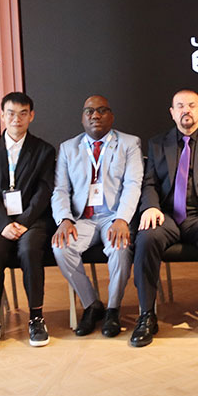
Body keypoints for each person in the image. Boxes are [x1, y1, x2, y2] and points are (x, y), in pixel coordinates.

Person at [130, 89, 198, 347]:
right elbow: (149, 183)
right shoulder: (158, 143)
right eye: (180, 106)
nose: (186, 110)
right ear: (172, 112)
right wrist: (150, 207)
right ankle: (147, 316)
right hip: (166, 216)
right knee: (145, 238)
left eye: (191, 105)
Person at [52, 95, 143, 337]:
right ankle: (92, 304)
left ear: (111, 116)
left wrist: (122, 219)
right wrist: (64, 219)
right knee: (61, 247)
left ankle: (113, 308)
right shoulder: (68, 148)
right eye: (89, 111)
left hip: (114, 216)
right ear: (82, 118)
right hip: (82, 219)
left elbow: (133, 184)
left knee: (120, 247)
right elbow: (60, 189)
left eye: (102, 110)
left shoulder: (129, 143)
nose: (95, 115)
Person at [0, 91, 57, 351]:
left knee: (29, 250)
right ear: (2, 115)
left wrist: (23, 221)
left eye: (23, 113)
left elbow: (44, 190)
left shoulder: (44, 150)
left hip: (33, 220)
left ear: (31, 116)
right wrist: (4, 224)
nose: (16, 119)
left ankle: (36, 317)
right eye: (11, 113)